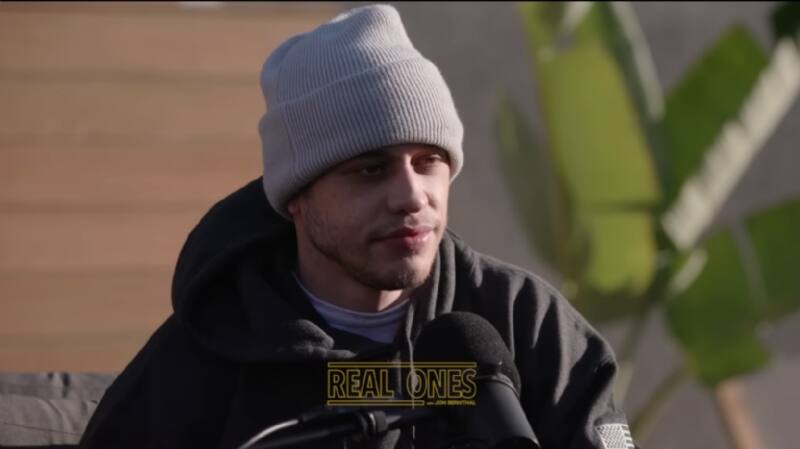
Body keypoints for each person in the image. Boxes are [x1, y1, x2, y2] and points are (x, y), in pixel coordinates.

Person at [79, 4, 637, 449]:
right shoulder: (205, 355)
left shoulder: (527, 323)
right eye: (370, 170)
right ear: (297, 198)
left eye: (428, 162)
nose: (411, 196)